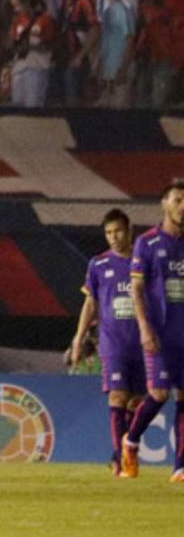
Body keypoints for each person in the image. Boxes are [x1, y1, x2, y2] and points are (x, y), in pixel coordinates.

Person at [120, 181, 184, 482]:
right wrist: (144, 327)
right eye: (177, 200)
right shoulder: (147, 242)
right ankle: (131, 441)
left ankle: (180, 466)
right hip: (158, 333)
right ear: (164, 204)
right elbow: (136, 288)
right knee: (158, 393)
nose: (182, 206)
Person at [72, 208, 142, 475]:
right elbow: (90, 303)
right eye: (108, 233)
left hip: (143, 342)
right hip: (113, 343)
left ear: (129, 231)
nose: (113, 237)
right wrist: (78, 338)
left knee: (136, 402)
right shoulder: (98, 264)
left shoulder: (143, 260)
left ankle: (127, 448)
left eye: (118, 231)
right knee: (117, 395)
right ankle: (117, 457)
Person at [52, 0, 98, 107]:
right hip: (62, 60)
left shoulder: (83, 1)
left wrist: (81, 56)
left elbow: (95, 29)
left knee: (74, 103)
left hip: (76, 62)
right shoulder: (64, 2)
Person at [7, 0, 54, 108]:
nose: (16, 9)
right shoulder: (17, 21)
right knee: (17, 106)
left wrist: (32, 47)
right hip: (19, 67)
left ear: (27, 2)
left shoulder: (44, 20)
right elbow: (11, 43)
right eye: (14, 6)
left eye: (18, 5)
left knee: (33, 106)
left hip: (37, 67)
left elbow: (50, 45)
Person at [95, 0, 134, 108]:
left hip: (119, 69)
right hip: (108, 70)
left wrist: (123, 69)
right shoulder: (108, 10)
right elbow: (106, 41)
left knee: (119, 110)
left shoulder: (122, 11)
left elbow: (129, 40)